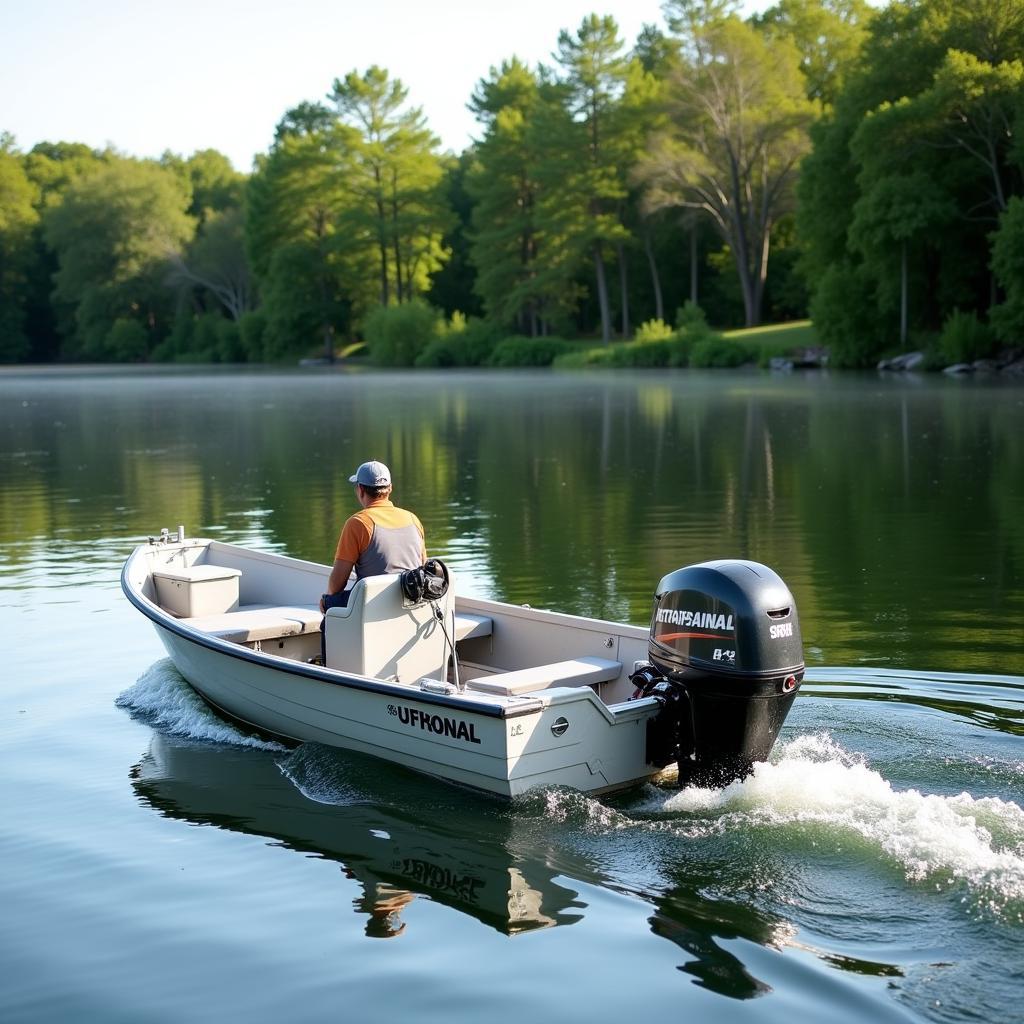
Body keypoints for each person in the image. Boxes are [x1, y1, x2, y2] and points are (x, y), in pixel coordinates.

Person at [319, 460, 426, 619]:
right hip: (408, 603)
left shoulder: (358, 523)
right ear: (390, 488)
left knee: (328, 602)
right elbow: (423, 566)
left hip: (372, 607)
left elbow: (337, 584)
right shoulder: (413, 519)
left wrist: (327, 600)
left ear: (360, 489)